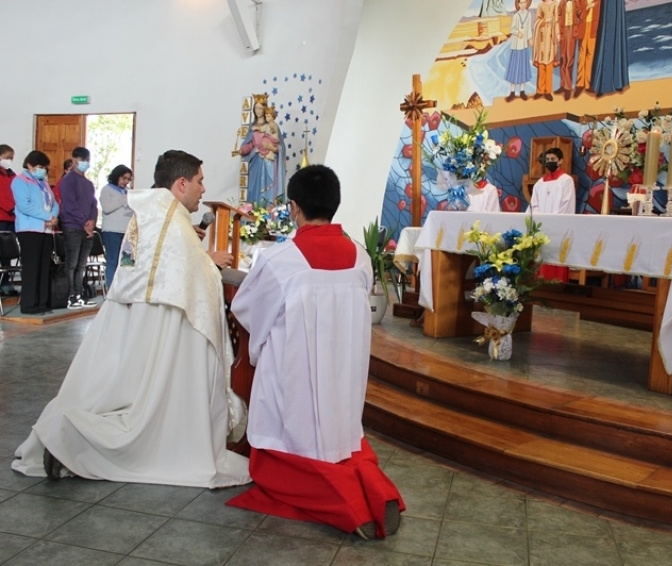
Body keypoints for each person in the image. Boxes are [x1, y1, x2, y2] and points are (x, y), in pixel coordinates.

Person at [12, 149, 250, 488]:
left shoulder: (153, 212)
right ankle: (73, 439)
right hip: (162, 326)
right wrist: (210, 263)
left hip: (132, 321)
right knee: (148, 411)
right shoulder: (170, 220)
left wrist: (201, 258)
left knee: (131, 395)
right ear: (182, 184)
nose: (203, 188)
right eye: (199, 181)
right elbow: (184, 274)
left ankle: (71, 437)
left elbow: (165, 265)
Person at [226, 164, 404, 539]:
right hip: (342, 376)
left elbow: (247, 310)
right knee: (345, 448)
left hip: (296, 376)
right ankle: (375, 490)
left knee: (282, 456)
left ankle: (349, 506)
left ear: (294, 207)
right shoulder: (360, 258)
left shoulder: (280, 260)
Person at [10, 150, 59, 314]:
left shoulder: (44, 183)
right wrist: (48, 216)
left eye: (45, 167)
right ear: (30, 165)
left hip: (46, 230)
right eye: (40, 167)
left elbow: (54, 203)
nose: (43, 170)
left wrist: (53, 216)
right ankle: (29, 305)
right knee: (32, 267)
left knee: (44, 267)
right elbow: (24, 205)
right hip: (30, 229)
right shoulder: (20, 181)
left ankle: (42, 303)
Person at [526, 148, 575, 282]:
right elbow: (534, 205)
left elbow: (567, 205)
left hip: (558, 230)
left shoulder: (566, 181)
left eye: (553, 159)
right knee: (540, 266)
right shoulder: (540, 183)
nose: (549, 162)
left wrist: (553, 223)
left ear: (560, 161)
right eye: (547, 160)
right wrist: (540, 223)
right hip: (541, 230)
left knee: (556, 265)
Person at [59, 147, 99, 310]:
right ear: (74, 160)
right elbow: (69, 206)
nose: (85, 163)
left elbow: (93, 205)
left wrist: (92, 221)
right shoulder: (68, 180)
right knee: (72, 264)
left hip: (86, 228)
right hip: (73, 227)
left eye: (87, 160)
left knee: (82, 265)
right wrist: (85, 223)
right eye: (82, 160)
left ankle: (79, 294)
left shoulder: (88, 184)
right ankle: (70, 296)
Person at [237, 96, 286, 205]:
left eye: (260, 108)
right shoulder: (252, 126)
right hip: (256, 162)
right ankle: (254, 211)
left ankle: (269, 212)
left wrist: (271, 148)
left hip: (269, 163)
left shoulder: (272, 125)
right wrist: (242, 151)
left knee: (269, 192)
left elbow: (280, 147)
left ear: (265, 110)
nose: (258, 111)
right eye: (256, 108)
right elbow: (250, 144)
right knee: (254, 190)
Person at [99, 164, 133, 288]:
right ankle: (111, 289)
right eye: (124, 178)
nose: (126, 181)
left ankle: (125, 288)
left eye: (128, 179)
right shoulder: (106, 189)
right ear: (116, 176)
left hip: (127, 231)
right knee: (113, 260)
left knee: (127, 261)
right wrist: (123, 199)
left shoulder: (129, 192)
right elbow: (107, 208)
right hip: (112, 231)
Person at [504, 0, 533, 102]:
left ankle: (522, 91)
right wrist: (517, 33)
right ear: (518, 4)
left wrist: (530, 38)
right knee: (514, 69)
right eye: (521, 3)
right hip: (516, 46)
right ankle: (512, 92)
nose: (523, 5)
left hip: (524, 46)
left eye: (524, 2)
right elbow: (512, 29)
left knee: (523, 69)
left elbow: (528, 29)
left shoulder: (529, 15)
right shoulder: (516, 15)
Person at [0, 144, 18, 296]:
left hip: (12, 219)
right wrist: (11, 208)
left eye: (11, 158)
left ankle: (5, 282)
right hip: (2, 217)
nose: (9, 161)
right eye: (7, 158)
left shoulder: (13, 175)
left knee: (7, 253)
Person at [532, 0, 559, 101]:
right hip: (542, 38)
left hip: (551, 38)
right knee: (541, 66)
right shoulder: (540, 6)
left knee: (549, 67)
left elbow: (557, 20)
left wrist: (557, 34)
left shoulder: (555, 5)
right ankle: (540, 91)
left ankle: (548, 91)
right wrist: (544, 21)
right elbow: (536, 22)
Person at [573, 0, 599, 98]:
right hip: (583, 27)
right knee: (582, 55)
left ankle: (588, 84)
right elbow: (579, 13)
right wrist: (587, 8)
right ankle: (580, 84)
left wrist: (593, 5)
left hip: (594, 28)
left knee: (590, 55)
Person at [555, 0, 579, 101]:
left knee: (569, 58)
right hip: (563, 31)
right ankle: (562, 84)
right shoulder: (562, 3)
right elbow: (558, 17)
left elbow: (581, 13)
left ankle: (568, 87)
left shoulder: (576, 2)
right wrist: (558, 33)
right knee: (562, 58)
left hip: (572, 31)